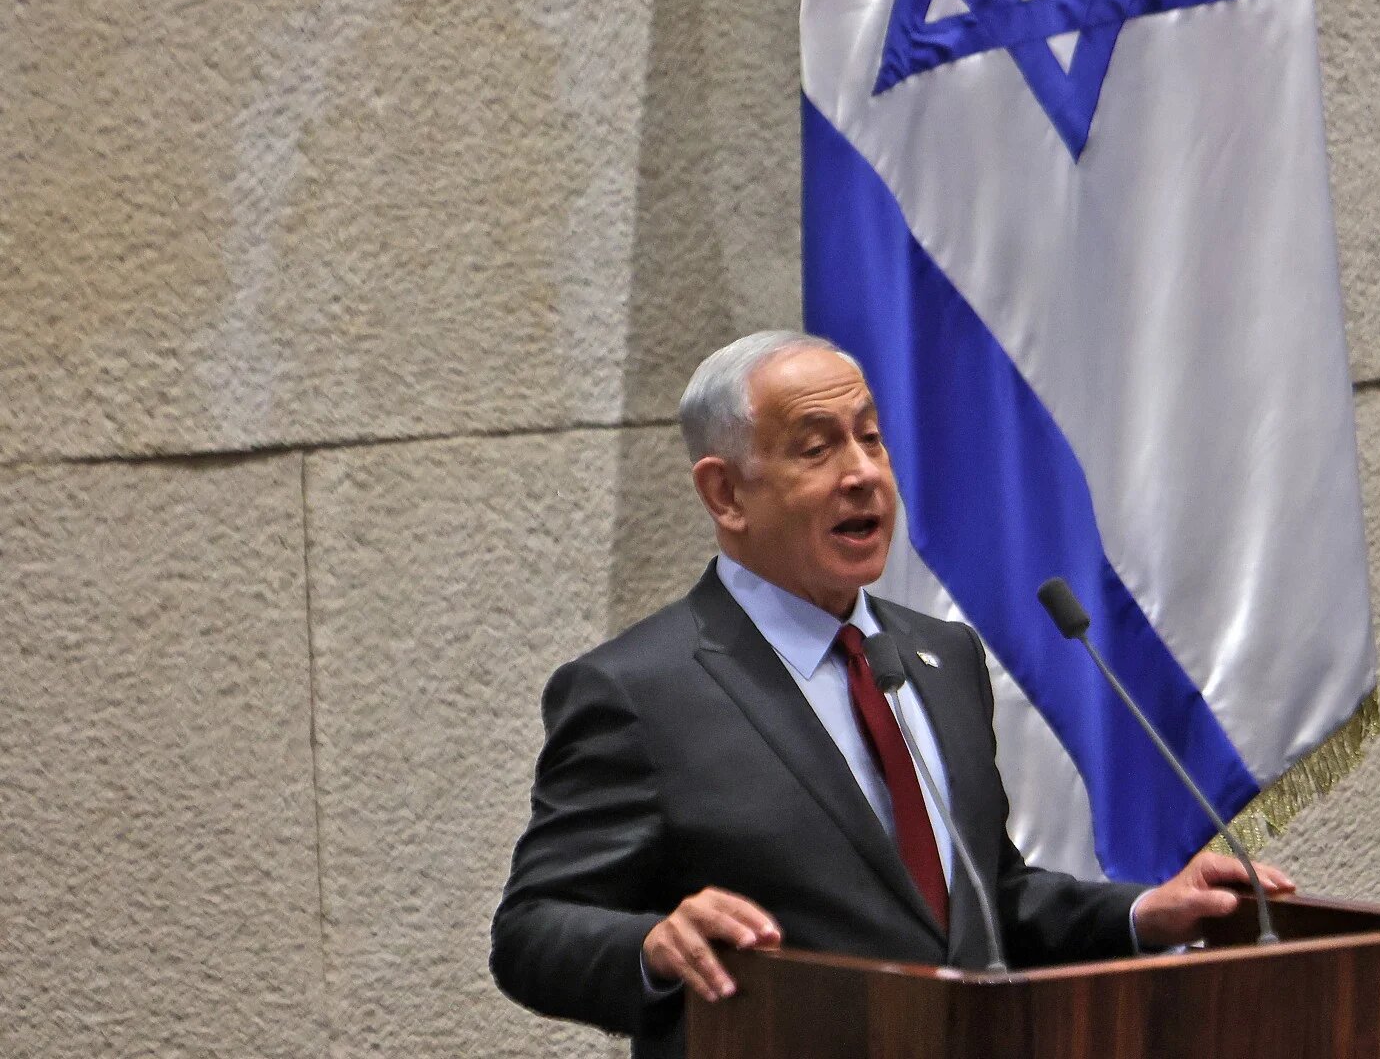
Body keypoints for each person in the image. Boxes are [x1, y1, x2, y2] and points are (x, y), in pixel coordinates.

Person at [491, 330, 1292, 1058]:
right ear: (726, 495)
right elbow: (532, 930)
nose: (864, 473)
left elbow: (984, 896)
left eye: (871, 438)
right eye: (817, 449)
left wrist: (1138, 914)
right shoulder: (637, 692)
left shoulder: (939, 656)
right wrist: (651, 947)